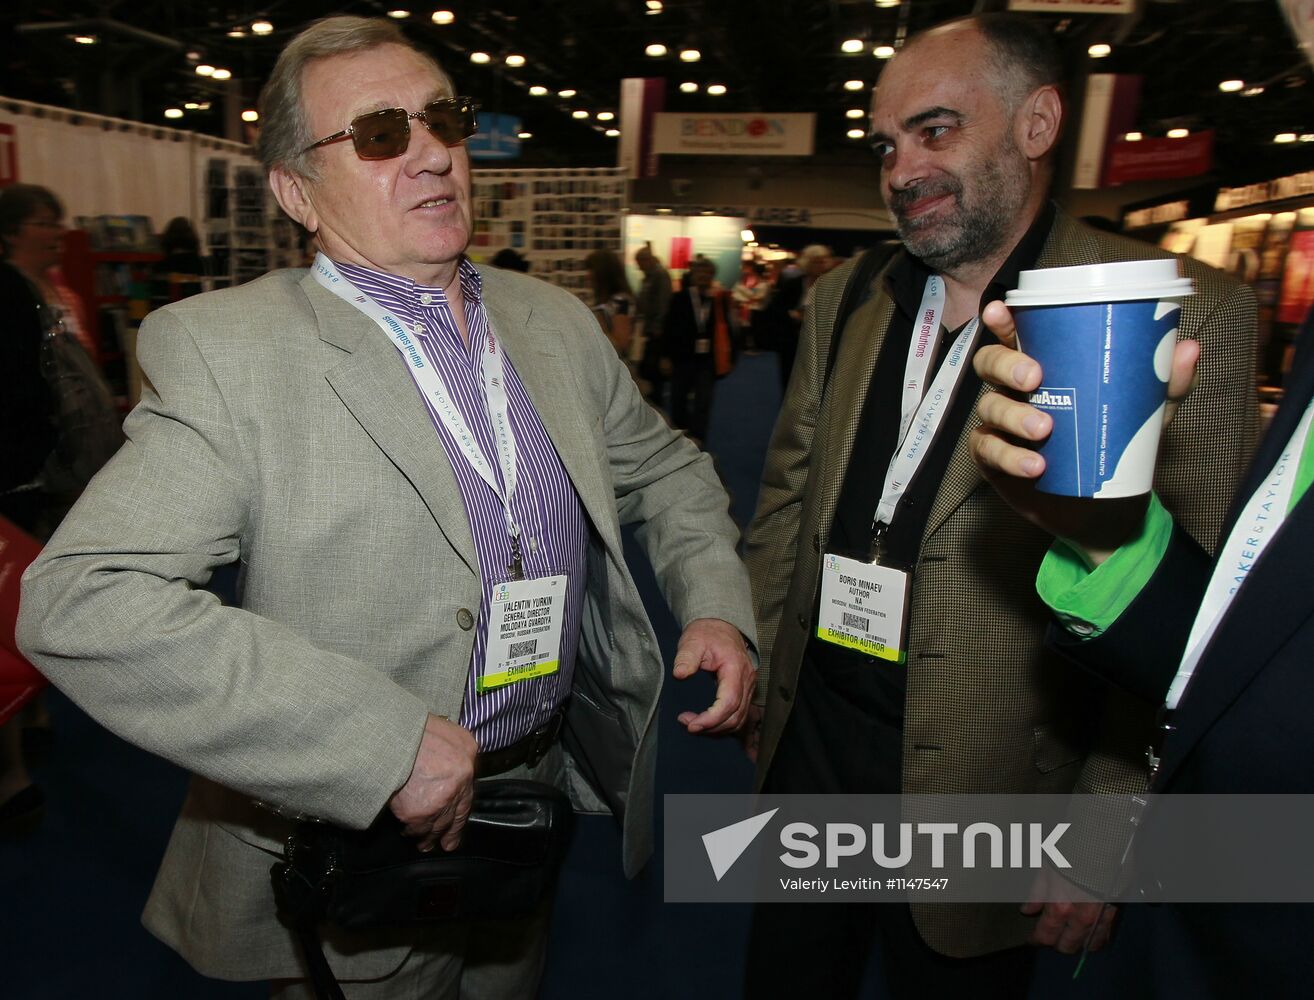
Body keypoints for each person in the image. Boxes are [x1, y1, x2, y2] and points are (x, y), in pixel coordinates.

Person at [18, 16, 756, 999]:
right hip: (354, 840)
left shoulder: (553, 321)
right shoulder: (229, 352)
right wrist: (381, 743)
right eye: (377, 135)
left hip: (530, 801)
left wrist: (711, 598)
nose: (431, 154)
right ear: (294, 192)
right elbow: (84, 600)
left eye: (442, 119)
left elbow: (662, 466)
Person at [741, 13, 1257, 998]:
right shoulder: (846, 297)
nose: (901, 171)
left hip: (994, 781)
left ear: (1037, 122)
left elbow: (1195, 621)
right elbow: (785, 506)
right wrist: (775, 679)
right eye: (887, 145)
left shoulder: (1173, 312)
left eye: (936, 131)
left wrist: (1110, 824)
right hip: (817, 752)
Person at [661, 256, 734, 444]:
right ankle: (679, 439)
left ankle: (699, 439)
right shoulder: (680, 298)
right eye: (700, 272)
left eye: (708, 273)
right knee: (678, 400)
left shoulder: (718, 301)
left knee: (703, 402)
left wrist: (731, 358)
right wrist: (666, 356)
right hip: (682, 358)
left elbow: (729, 329)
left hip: (707, 361)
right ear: (693, 275)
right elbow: (668, 328)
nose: (703, 276)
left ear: (713, 276)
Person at [763, 243, 830, 390]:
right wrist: (792, 315)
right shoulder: (793, 284)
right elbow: (774, 309)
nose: (821, 265)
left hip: (820, 344)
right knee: (789, 382)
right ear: (807, 263)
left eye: (823, 261)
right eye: (816, 261)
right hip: (792, 341)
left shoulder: (833, 286)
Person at [633, 241, 673, 398]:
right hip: (647, 329)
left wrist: (657, 326)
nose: (639, 267)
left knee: (653, 370)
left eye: (640, 263)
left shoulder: (660, 276)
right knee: (647, 369)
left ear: (647, 260)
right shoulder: (648, 278)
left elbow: (663, 303)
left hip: (655, 332)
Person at [584, 247, 635, 357]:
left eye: (591, 270)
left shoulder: (621, 301)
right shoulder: (606, 300)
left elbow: (621, 344)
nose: (587, 275)